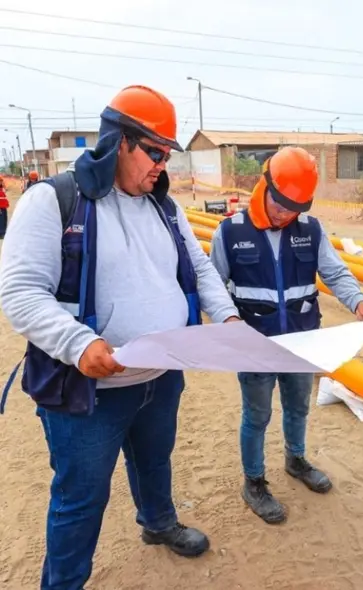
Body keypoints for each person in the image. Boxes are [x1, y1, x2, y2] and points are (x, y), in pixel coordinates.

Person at [0, 85, 240, 590]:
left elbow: (198, 267)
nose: (161, 164)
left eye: (166, 154)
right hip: (89, 394)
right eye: (154, 151)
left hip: (160, 376)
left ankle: (158, 523)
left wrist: (228, 318)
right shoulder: (54, 200)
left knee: (154, 459)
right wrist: (79, 344)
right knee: (80, 498)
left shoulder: (163, 207)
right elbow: (21, 292)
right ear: (119, 142)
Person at [209, 146, 363, 524]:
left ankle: (296, 459)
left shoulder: (310, 230)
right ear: (263, 185)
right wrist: (226, 322)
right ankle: (253, 481)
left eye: (295, 209)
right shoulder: (230, 232)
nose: (286, 214)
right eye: (281, 204)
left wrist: (357, 301)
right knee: (257, 414)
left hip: (303, 341)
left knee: (299, 406)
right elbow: (214, 285)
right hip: (255, 345)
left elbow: (335, 272)